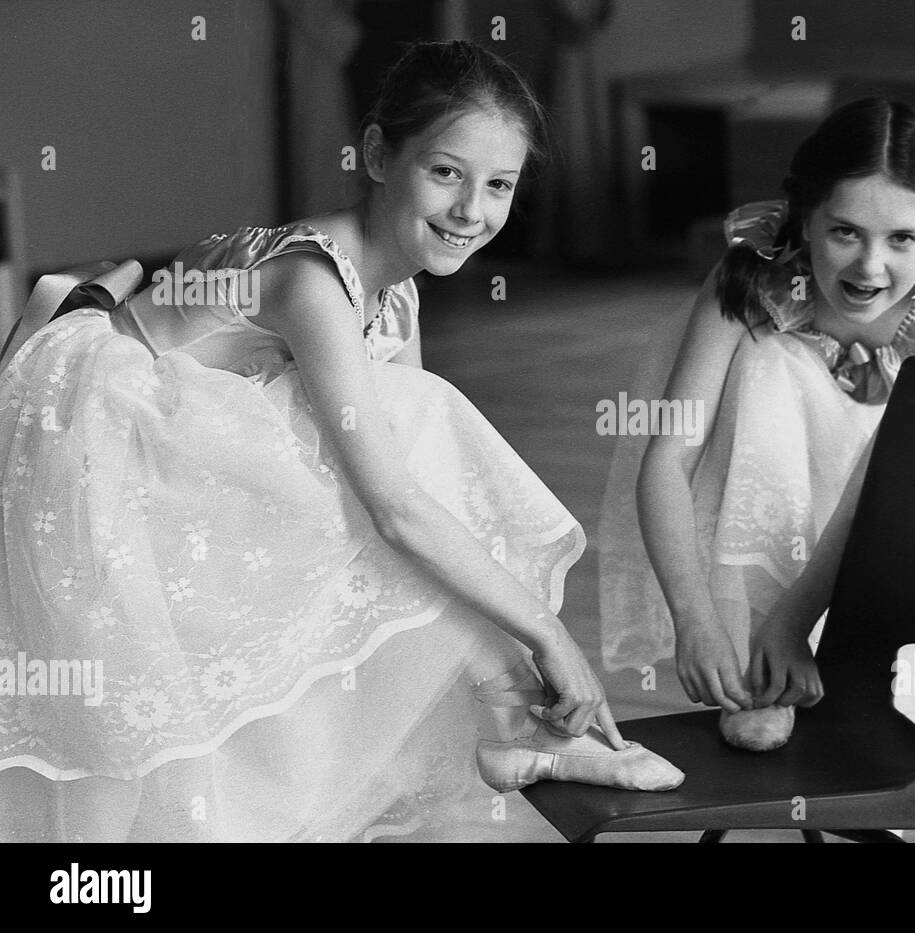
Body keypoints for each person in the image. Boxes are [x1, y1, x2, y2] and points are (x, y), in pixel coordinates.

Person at [0, 39, 682, 844]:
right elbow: (394, 504)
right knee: (410, 431)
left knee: (406, 447)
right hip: (98, 435)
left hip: (185, 442)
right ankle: (520, 723)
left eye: (499, 185)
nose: (472, 210)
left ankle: (515, 723)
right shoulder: (312, 280)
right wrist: (548, 631)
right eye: (445, 172)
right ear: (375, 155)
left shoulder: (393, 297)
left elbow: (417, 499)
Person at [599, 97, 915, 791]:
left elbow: (884, 479)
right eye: (843, 232)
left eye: (902, 238)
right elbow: (667, 457)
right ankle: (758, 659)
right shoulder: (754, 273)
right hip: (779, 470)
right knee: (765, 361)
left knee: (868, 664)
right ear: (803, 217)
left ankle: (841, 675)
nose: (869, 266)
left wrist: (798, 616)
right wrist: (695, 616)